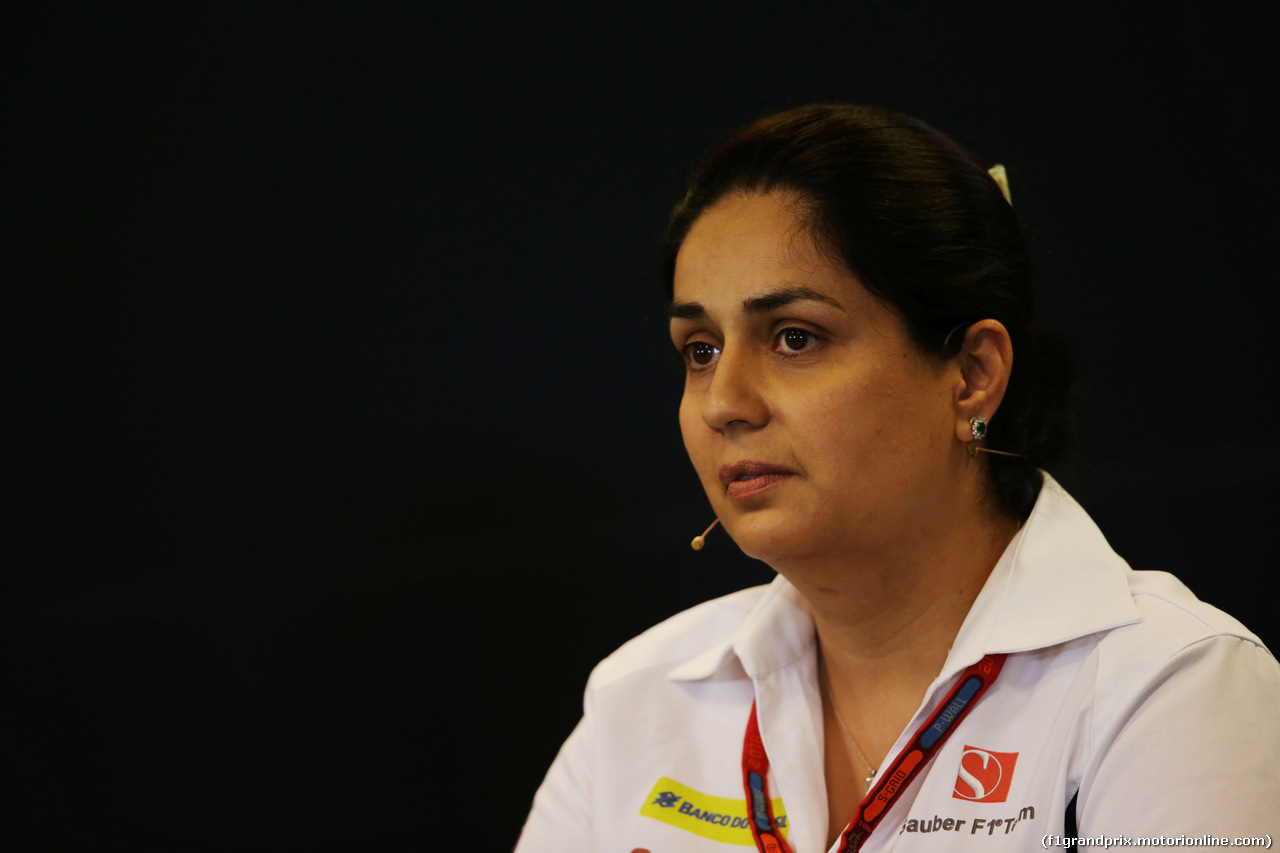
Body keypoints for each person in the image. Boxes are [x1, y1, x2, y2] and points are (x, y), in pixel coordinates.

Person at [514, 104, 1280, 853]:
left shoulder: (1168, 685)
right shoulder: (642, 699)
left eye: (794, 337)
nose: (724, 404)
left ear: (973, 375)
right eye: (701, 350)